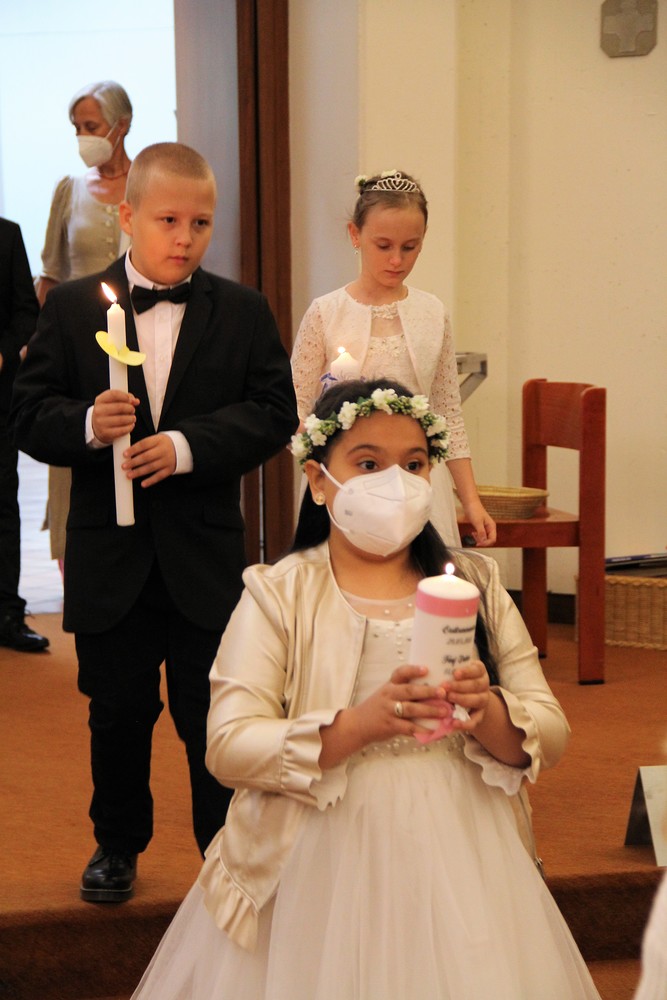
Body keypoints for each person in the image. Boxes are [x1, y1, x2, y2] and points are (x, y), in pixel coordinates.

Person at [128, 378, 601, 999]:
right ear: (319, 480)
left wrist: (485, 710)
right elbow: (229, 745)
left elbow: (550, 731)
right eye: (369, 464)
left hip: (462, 839)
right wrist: (356, 725)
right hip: (317, 843)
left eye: (414, 465)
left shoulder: (477, 583)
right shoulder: (280, 593)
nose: (395, 484)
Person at [10, 142, 298, 902]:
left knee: (213, 710)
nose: (185, 237)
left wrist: (186, 445)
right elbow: (27, 415)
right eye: (168, 220)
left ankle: (224, 847)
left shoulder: (242, 311)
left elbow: (275, 412)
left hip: (204, 555)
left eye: (201, 223)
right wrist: (86, 423)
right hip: (111, 557)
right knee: (117, 710)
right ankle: (116, 843)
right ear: (127, 215)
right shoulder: (73, 308)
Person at [291, 169, 496, 549]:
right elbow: (297, 408)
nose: (396, 260)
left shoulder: (432, 313)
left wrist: (471, 501)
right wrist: (325, 461)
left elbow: (448, 413)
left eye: (410, 247)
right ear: (355, 235)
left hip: (416, 478)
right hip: (348, 481)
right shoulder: (326, 313)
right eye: (383, 245)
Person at [36, 80, 134, 570]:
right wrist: (40, 344)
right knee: (75, 450)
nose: (82, 137)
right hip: (76, 348)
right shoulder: (69, 191)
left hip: (137, 345)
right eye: (76, 127)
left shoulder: (149, 186)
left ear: (121, 126)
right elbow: (50, 276)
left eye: (91, 126)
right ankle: (74, 574)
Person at [0, 217, 49, 652]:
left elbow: (25, 312)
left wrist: (3, 354)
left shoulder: (7, 233)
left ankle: (7, 614)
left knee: (2, 501)